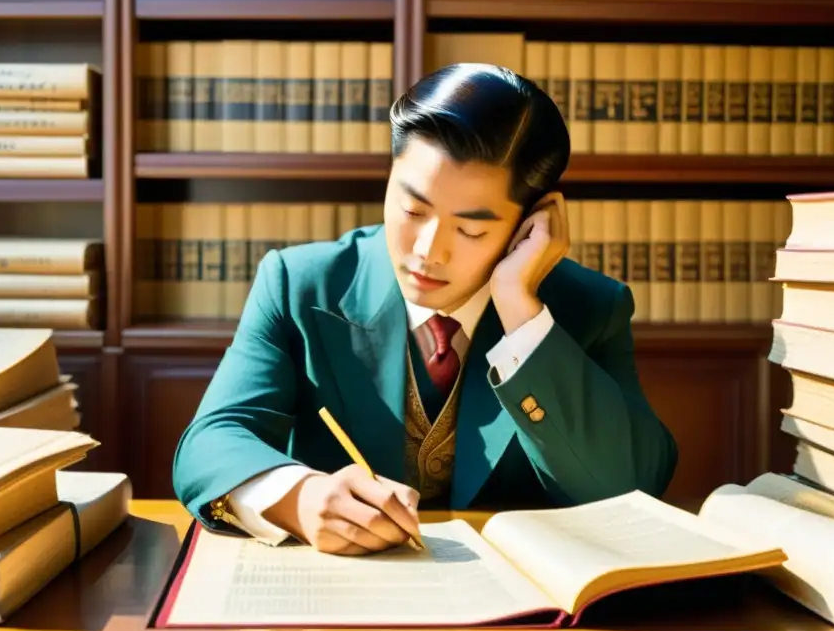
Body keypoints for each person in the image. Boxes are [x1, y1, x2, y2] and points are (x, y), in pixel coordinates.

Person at [172, 63, 678, 556]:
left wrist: (524, 319)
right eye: (412, 210)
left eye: (472, 230)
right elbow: (210, 442)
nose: (428, 251)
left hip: (521, 618)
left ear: (531, 222)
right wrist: (298, 498)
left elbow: (631, 487)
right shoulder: (301, 284)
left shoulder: (588, 306)